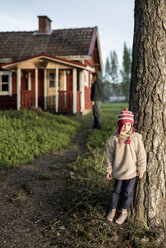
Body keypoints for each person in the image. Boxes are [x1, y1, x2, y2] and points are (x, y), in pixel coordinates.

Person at [106, 108, 146, 224]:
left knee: (127, 193)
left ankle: (124, 212)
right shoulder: (114, 139)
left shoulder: (136, 138)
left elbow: (141, 154)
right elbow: (109, 156)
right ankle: (113, 210)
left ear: (131, 125)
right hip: (118, 171)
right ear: (119, 125)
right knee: (116, 191)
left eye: (128, 125)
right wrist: (109, 170)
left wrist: (141, 169)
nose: (126, 127)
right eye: (123, 125)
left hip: (131, 172)